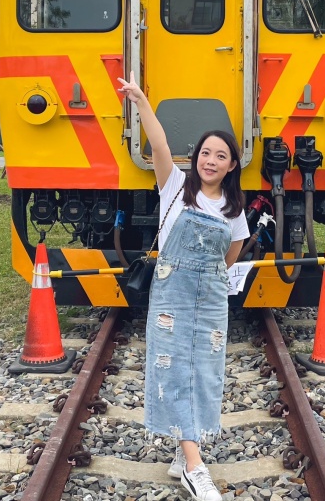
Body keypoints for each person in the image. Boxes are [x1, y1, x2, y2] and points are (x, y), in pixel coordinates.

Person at [118, 71, 248, 501]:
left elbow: (232, 252)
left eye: (221, 156)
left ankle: (182, 447)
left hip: (210, 298)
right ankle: (195, 466)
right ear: (195, 159)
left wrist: (206, 274)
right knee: (172, 368)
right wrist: (140, 102)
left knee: (204, 373)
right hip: (171, 295)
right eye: (205, 153)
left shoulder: (233, 208)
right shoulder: (174, 185)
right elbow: (157, 143)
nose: (211, 160)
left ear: (231, 166)